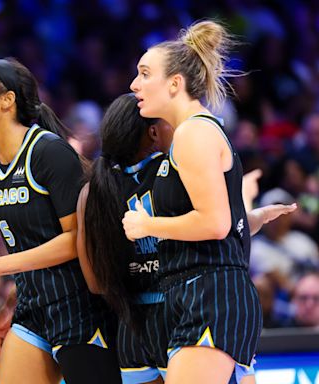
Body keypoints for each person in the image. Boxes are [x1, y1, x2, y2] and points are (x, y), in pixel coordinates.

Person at [77, 93, 297, 384]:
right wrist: (244, 204)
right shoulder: (171, 171)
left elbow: (95, 282)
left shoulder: (94, 189)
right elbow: (212, 227)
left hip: (131, 326)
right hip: (180, 310)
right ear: (153, 132)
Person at [0, 58, 120, 383]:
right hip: (33, 308)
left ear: (6, 100)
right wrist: (12, 300)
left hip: (79, 309)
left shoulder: (49, 152)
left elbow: (73, 240)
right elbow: (29, 242)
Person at [121, 20, 262, 384]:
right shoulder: (190, 133)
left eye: (144, 74)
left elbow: (215, 223)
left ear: (174, 83)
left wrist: (147, 226)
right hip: (196, 292)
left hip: (211, 294)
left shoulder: (193, 132)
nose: (134, 85)